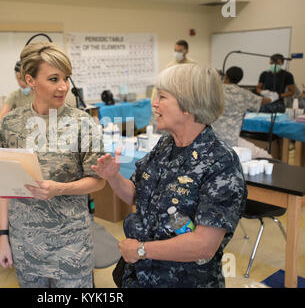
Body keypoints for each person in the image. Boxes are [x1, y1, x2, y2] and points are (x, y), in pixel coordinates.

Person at [92, 64, 247, 288]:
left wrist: (141, 250)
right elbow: (135, 195)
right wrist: (113, 177)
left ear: (188, 106)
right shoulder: (165, 145)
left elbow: (203, 245)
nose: (154, 104)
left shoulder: (220, 162)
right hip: (140, 277)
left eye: (162, 97)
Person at [0, 41, 105, 288]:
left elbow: (98, 181)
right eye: (54, 79)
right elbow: (3, 187)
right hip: (26, 245)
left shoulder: (82, 123)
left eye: (66, 78)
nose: (63, 87)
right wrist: (3, 237)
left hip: (71, 246)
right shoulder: (10, 124)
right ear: (30, 80)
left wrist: (60, 189)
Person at [212, 66, 272, 158]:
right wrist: (272, 97)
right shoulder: (245, 94)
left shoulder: (214, 90)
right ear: (239, 79)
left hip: (210, 139)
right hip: (232, 142)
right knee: (266, 156)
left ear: (226, 76)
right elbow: (263, 101)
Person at [0, 61, 34, 126]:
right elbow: (2, 114)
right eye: (18, 79)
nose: (21, 83)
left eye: (22, 79)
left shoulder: (40, 94)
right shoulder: (15, 95)